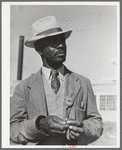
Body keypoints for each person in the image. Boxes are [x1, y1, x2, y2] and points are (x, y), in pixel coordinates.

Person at [10, 16, 103, 145]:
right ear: (39, 49)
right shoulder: (23, 88)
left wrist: (83, 129)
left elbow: (96, 123)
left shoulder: (83, 83)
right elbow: (13, 130)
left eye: (62, 41)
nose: (61, 46)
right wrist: (40, 124)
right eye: (53, 42)